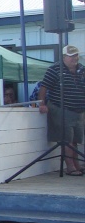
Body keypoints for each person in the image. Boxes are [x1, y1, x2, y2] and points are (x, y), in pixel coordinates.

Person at [38, 44, 85, 175]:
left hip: (79, 111)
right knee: (66, 139)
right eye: (71, 56)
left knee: (76, 139)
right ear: (64, 57)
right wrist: (42, 104)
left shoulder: (82, 69)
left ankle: (76, 164)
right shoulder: (54, 69)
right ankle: (70, 167)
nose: (74, 58)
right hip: (62, 108)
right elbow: (44, 88)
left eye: (76, 55)